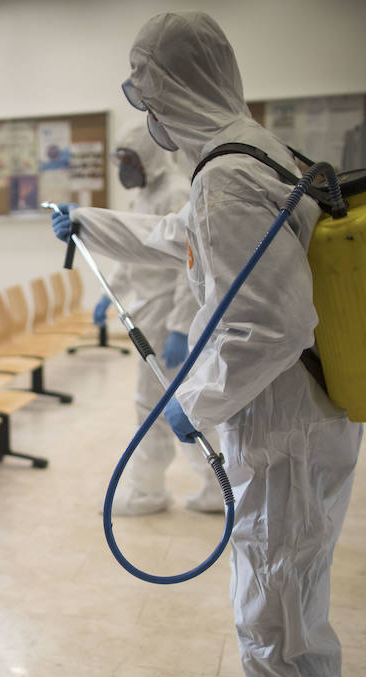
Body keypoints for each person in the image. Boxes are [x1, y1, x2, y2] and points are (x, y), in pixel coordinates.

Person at [51, 11, 361, 677]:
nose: (143, 115)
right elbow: (174, 243)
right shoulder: (250, 153)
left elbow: (270, 323)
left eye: (144, 91)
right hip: (309, 419)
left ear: (171, 85)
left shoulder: (226, 176)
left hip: (286, 428)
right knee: (286, 590)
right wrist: (92, 225)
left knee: (280, 618)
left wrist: (192, 402)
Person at [96, 124, 225, 517]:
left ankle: (156, 492)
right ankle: (211, 488)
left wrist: (180, 327)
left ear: (149, 159)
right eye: (120, 161)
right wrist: (109, 291)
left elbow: (189, 266)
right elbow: (132, 253)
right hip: (149, 311)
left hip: (167, 317)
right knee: (164, 405)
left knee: (162, 407)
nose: (125, 169)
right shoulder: (144, 196)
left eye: (130, 160)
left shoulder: (173, 193)